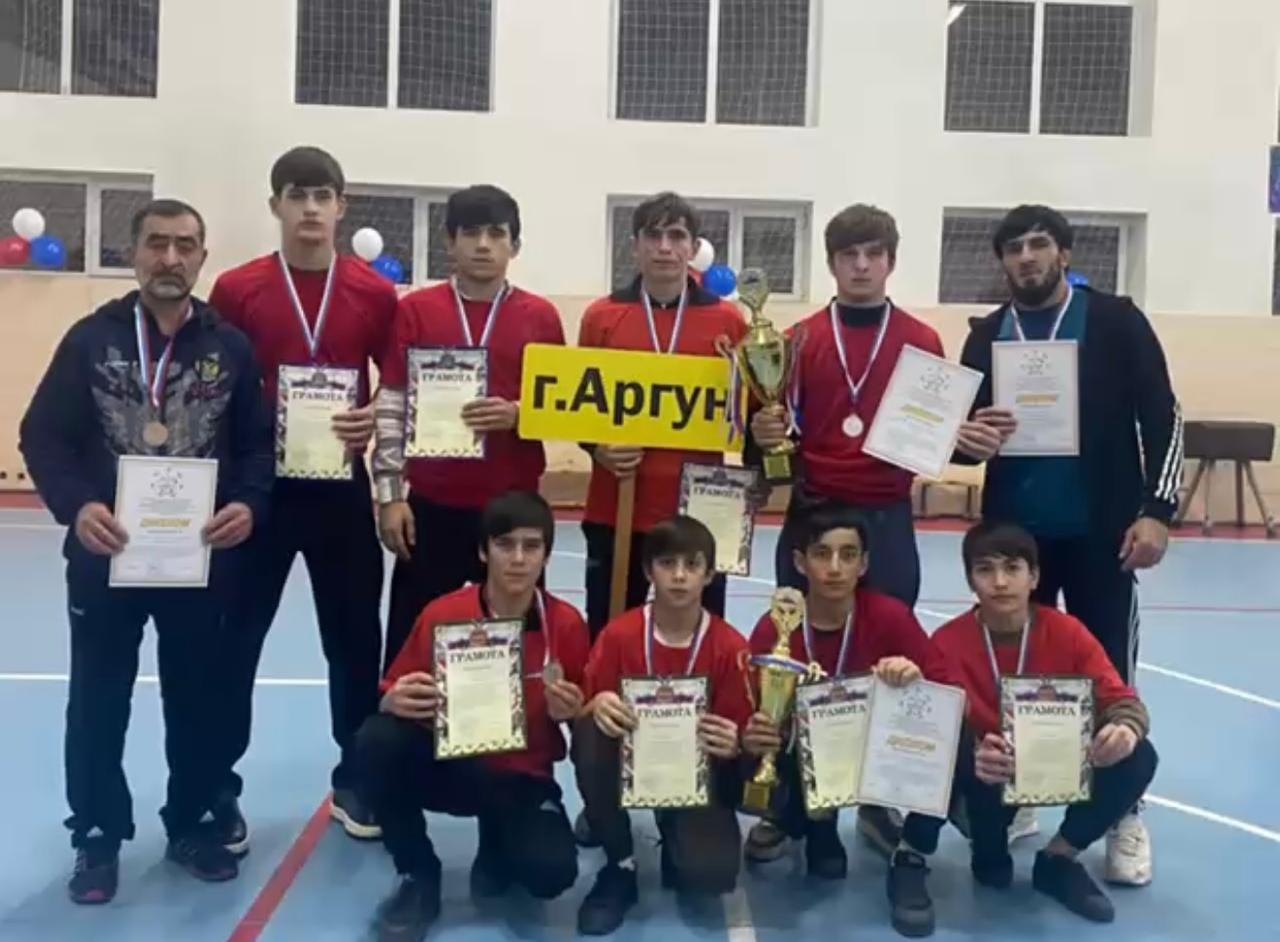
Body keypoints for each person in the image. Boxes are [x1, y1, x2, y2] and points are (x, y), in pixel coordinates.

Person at [18, 199, 273, 902]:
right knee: (97, 701)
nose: (170, 258)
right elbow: (42, 436)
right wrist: (79, 507)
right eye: (157, 243)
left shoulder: (230, 348)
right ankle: (97, 836)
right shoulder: (90, 340)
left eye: (185, 245)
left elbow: (258, 446)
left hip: (200, 560)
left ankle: (191, 823)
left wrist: (249, 505)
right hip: (106, 555)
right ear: (133, 254)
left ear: (202, 257)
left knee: (199, 699)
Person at [956, 204, 1182, 885]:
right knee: (1016, 672)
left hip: (1101, 536)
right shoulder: (986, 335)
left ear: (1063, 253)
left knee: (1108, 670)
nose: (1026, 257)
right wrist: (965, 441)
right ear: (1002, 261)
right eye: (1014, 248)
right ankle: (1027, 787)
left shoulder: (1116, 320)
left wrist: (1157, 511)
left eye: (1038, 244)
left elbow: (1164, 415)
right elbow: (960, 438)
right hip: (1016, 542)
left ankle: (1123, 812)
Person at [208, 145, 398, 847]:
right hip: (257, 494)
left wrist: (373, 414)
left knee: (353, 641)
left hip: (341, 491)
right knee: (235, 640)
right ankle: (217, 787)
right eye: (297, 195)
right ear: (276, 205)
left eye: (323, 196)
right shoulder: (238, 289)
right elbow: (215, 384)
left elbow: (397, 387)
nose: (311, 208)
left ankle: (357, 776)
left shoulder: (375, 293)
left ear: (342, 207)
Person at [750, 205, 1011, 609]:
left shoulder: (922, 341)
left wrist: (967, 443)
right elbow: (771, 442)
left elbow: (933, 438)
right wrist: (762, 436)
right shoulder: (796, 341)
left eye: (873, 254)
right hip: (814, 510)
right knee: (804, 636)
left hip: (887, 516)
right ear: (831, 263)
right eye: (848, 255)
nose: (861, 265)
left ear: (891, 261)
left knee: (891, 637)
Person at [357, 491, 590, 942]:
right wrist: (391, 701)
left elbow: (588, 712)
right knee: (376, 740)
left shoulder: (567, 624)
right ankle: (417, 872)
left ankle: (498, 839)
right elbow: (393, 691)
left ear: (547, 554)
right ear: (483, 552)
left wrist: (575, 711)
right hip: (455, 769)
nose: (518, 559)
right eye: (505, 545)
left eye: (531, 546)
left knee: (551, 873)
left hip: (523, 777)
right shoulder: (443, 614)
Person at [373, 184, 565, 670]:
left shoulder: (541, 317)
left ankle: (516, 724)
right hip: (431, 506)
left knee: (515, 648)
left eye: (496, 234)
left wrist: (520, 414)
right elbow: (392, 403)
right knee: (411, 643)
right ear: (449, 241)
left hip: (514, 509)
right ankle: (402, 721)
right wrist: (390, 495)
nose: (483, 244)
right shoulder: (415, 310)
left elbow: (561, 405)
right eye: (471, 232)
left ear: (514, 246)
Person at [929, 521, 1158, 926]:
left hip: (1057, 761)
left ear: (1034, 577)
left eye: (1012, 568)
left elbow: (1122, 700)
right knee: (961, 752)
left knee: (1139, 755)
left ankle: (1059, 857)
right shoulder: (946, 642)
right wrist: (971, 754)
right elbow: (929, 732)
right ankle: (987, 847)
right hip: (989, 773)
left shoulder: (1067, 632)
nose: (1000, 582)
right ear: (970, 580)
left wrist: (1125, 729)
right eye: (985, 570)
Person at [740, 504, 947, 874]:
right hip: (798, 751)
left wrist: (914, 678)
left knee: (949, 739)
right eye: (822, 554)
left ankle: (879, 814)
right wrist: (754, 730)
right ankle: (789, 818)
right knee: (746, 746)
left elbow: (947, 691)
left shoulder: (890, 617)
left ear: (863, 565)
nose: (835, 568)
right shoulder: (777, 627)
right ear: (800, 562)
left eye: (848, 555)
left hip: (869, 746)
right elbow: (745, 704)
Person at [577, 192, 748, 637]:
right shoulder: (602, 317)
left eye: (676, 236)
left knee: (701, 637)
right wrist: (597, 448)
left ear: (693, 247)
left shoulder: (729, 322)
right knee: (609, 633)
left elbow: (749, 411)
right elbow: (576, 406)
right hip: (616, 506)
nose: (665, 247)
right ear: (635, 245)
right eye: (653, 236)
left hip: (702, 514)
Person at [573, 516, 751, 936]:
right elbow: (581, 712)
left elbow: (740, 737)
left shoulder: (730, 646)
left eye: (692, 564)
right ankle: (620, 861)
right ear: (648, 571)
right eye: (667, 563)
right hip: (628, 764)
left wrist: (735, 743)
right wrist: (596, 705)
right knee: (592, 726)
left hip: (695, 776)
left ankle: (676, 823)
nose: (680, 576)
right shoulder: (619, 635)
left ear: (709, 574)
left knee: (710, 874)